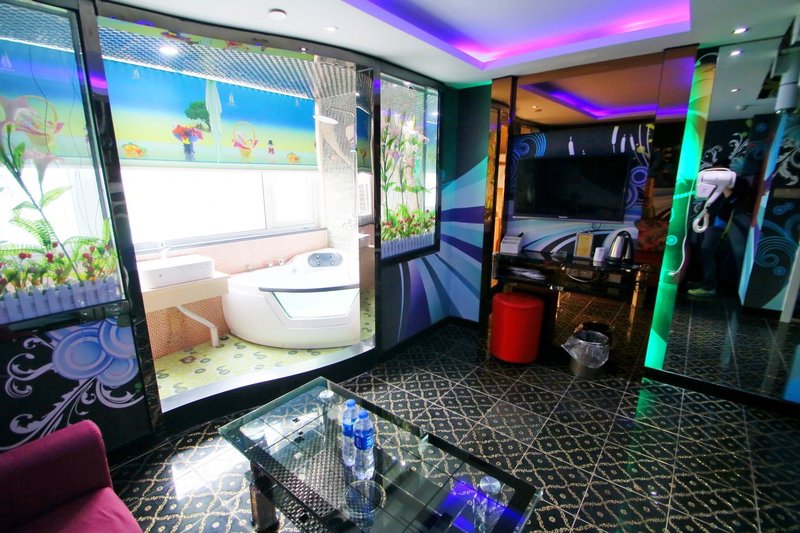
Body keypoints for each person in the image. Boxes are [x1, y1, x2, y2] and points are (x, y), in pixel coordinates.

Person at [687, 184, 741, 296]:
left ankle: (709, 287)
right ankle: (702, 281)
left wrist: (723, 184)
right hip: (703, 218)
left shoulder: (737, 182)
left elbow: (734, 201)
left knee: (707, 252)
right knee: (699, 250)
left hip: (716, 222)